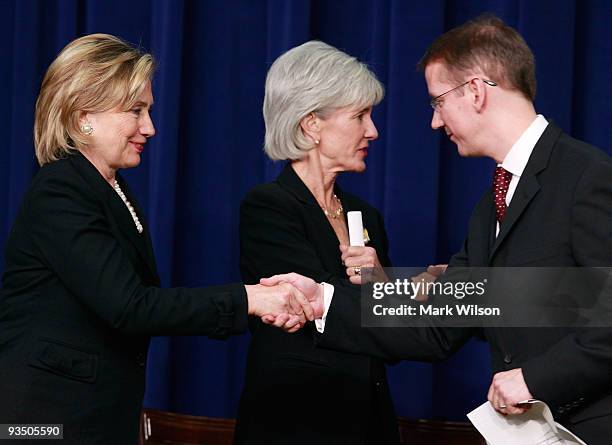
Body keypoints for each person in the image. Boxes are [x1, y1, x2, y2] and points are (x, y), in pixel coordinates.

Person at [265, 15, 612, 444]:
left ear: (476, 91)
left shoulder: (587, 175)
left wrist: (535, 379)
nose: (434, 122)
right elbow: (441, 319)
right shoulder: (492, 205)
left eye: (437, 101)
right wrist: (326, 304)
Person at [0, 34, 318, 444]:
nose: (149, 127)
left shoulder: (112, 189)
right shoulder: (61, 190)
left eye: (148, 110)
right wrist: (250, 299)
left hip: (91, 417)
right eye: (136, 111)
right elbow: (131, 306)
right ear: (82, 116)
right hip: (44, 423)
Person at [233, 41, 399, 445]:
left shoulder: (366, 216)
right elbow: (317, 311)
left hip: (369, 421)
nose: (373, 131)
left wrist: (381, 285)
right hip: (297, 423)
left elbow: (395, 333)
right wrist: (385, 295)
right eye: (360, 116)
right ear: (311, 124)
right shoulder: (268, 208)